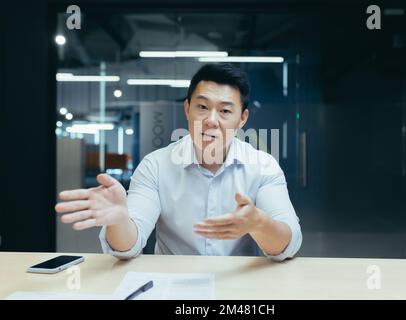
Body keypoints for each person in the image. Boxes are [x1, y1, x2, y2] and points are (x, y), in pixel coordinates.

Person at [55, 63, 302, 261]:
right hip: (171, 288)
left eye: (225, 111)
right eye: (202, 107)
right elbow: (127, 247)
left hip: (237, 287)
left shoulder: (263, 166)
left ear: (242, 119)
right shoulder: (156, 166)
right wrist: (119, 221)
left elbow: (287, 244)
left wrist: (259, 223)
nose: (211, 121)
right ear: (187, 109)